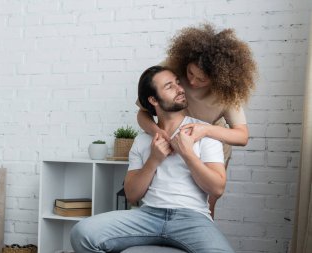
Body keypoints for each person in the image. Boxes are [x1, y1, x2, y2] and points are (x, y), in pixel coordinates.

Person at [70, 66, 234, 253]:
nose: (180, 89)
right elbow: (132, 195)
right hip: (148, 217)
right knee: (81, 233)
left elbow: (217, 188)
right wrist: (154, 160)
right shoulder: (142, 140)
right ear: (153, 99)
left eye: (178, 83)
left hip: (192, 218)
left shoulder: (203, 132)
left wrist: (188, 154)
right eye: (169, 86)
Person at [137, 24, 257, 218]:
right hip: (171, 142)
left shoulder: (227, 91)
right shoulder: (173, 69)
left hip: (210, 144)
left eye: (202, 80)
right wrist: (162, 135)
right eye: (190, 73)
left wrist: (205, 130)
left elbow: (242, 136)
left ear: (219, 77)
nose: (192, 82)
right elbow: (143, 113)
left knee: (206, 204)